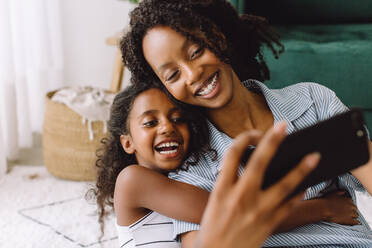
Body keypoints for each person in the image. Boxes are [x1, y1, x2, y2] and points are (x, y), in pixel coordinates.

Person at [120, 0, 372, 247]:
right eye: (173, 75)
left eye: (196, 51)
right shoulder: (191, 164)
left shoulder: (312, 100)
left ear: (218, 35)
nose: (192, 73)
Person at [89, 82, 319, 248]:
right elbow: (237, 214)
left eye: (178, 119)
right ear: (128, 143)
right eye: (150, 122)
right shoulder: (133, 179)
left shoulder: (186, 177)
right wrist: (325, 209)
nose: (167, 127)